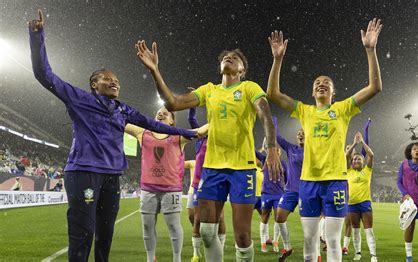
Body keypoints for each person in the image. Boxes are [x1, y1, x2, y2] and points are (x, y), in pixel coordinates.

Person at [28, 10, 197, 262]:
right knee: (83, 231)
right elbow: (45, 76)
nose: (115, 82)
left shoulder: (122, 109)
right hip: (84, 172)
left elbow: (154, 124)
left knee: (106, 233)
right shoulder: (80, 99)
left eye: (117, 80)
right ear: (94, 84)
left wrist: (186, 132)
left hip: (112, 177)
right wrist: (37, 36)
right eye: (108, 79)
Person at [135, 39, 283, 261]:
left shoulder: (248, 87)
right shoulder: (209, 90)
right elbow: (173, 103)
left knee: (242, 236)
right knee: (205, 231)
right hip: (212, 169)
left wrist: (271, 148)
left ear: (242, 70)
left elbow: (264, 113)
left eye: (236, 57)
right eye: (226, 56)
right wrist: (155, 71)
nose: (229, 57)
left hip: (242, 169)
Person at [265, 18, 383, 262]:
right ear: (312, 92)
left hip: (336, 182)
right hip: (308, 182)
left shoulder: (342, 109)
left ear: (333, 92)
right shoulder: (305, 111)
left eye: (326, 83)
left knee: (332, 240)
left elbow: (374, 87)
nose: (321, 85)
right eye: (317, 83)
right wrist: (277, 60)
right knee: (309, 240)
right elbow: (273, 94)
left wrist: (370, 50)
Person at [125, 107, 202, 262]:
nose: (160, 113)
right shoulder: (143, 133)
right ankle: (150, 258)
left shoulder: (180, 136)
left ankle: (176, 259)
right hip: (148, 189)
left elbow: (200, 131)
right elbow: (121, 121)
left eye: (165, 113)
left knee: (173, 226)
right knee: (147, 226)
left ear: (172, 120)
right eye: (158, 112)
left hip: (171, 190)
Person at [186, 107, 226, 262]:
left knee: (220, 219)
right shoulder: (201, 139)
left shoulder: (222, 140)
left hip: (216, 185)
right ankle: (197, 252)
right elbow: (192, 122)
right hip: (197, 185)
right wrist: (193, 106)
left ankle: (219, 249)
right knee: (194, 218)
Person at [272, 117, 304, 261]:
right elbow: (277, 137)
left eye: (303, 133)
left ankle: (314, 253)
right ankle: (287, 246)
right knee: (279, 217)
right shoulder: (291, 148)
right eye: (299, 133)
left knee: (309, 224)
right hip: (290, 190)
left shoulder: (313, 150)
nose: (301, 135)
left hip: (307, 190)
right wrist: (274, 123)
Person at [346, 132, 377, 261]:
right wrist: (354, 143)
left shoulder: (367, 170)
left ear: (363, 161)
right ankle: (357, 253)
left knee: (368, 230)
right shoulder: (349, 171)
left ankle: (373, 255)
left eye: (359, 159)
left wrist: (362, 142)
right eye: (355, 159)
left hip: (365, 203)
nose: (356, 160)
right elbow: (346, 155)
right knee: (356, 230)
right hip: (352, 203)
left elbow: (371, 154)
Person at [256, 147, 287, 254]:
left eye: (277, 150)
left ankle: (275, 241)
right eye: (272, 150)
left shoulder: (283, 164)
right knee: (264, 217)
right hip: (266, 194)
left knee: (278, 218)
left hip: (279, 194)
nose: (275, 152)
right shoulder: (265, 159)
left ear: (279, 152)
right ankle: (263, 243)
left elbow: (288, 179)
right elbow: (254, 152)